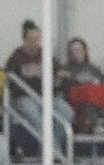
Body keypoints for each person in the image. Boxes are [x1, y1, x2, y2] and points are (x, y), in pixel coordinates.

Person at [6, 19, 73, 151]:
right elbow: (10, 81)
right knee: (38, 119)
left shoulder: (47, 55)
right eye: (31, 39)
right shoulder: (15, 58)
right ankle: (53, 152)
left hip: (48, 96)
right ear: (24, 39)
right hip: (24, 97)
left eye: (37, 38)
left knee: (67, 113)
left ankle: (54, 147)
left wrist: (62, 75)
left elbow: (60, 72)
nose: (35, 42)